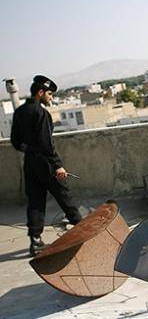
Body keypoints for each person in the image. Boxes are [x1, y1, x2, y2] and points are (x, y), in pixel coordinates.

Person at [11, 75, 82, 256]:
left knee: (35, 201)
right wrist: (58, 165)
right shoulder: (41, 113)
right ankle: (82, 229)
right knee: (63, 194)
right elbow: (47, 144)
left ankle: (35, 241)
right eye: (49, 94)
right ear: (40, 92)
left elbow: (16, 142)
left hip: (30, 162)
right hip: (46, 163)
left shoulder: (20, 112)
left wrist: (30, 150)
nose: (51, 98)